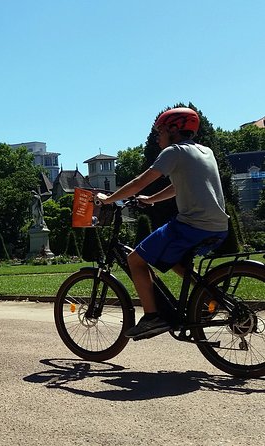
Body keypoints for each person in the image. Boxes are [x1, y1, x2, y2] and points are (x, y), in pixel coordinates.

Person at [96, 107, 229, 339]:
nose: (158, 137)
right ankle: (209, 298)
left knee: (135, 259)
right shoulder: (204, 151)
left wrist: (109, 199)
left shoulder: (174, 152)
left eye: (160, 131)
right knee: (175, 261)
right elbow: (180, 185)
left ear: (174, 129)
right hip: (219, 226)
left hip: (191, 225)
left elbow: (140, 181)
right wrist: (152, 200)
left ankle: (152, 318)